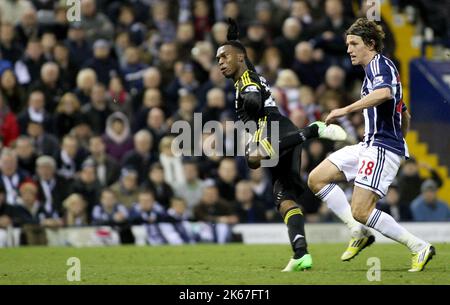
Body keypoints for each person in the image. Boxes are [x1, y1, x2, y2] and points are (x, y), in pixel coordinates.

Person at [216, 19, 346, 271]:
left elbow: (252, 94)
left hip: (272, 128)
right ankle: (301, 254)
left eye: (224, 57)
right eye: (218, 59)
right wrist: (235, 40)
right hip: (281, 134)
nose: (220, 62)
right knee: (284, 199)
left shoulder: (246, 82)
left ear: (239, 58)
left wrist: (252, 103)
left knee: (252, 158)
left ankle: (313, 130)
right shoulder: (245, 72)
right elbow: (247, 68)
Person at [308, 18, 435, 272]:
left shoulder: (380, 65)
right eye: (347, 44)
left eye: (354, 43)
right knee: (316, 178)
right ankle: (358, 232)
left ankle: (418, 247)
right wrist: (402, 139)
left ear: (371, 44)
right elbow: (404, 114)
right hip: (370, 144)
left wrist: (345, 109)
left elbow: (385, 94)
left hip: (381, 147)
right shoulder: (374, 73)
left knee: (361, 210)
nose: (349, 49)